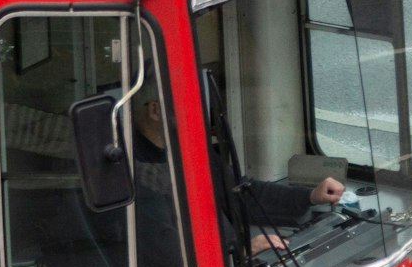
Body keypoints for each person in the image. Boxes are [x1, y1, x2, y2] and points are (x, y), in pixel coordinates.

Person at [132, 89, 342, 254]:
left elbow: (240, 193)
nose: (196, 112)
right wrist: (239, 251)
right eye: (187, 102)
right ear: (156, 110)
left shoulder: (187, 148)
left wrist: (310, 196)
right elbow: (162, 248)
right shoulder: (131, 170)